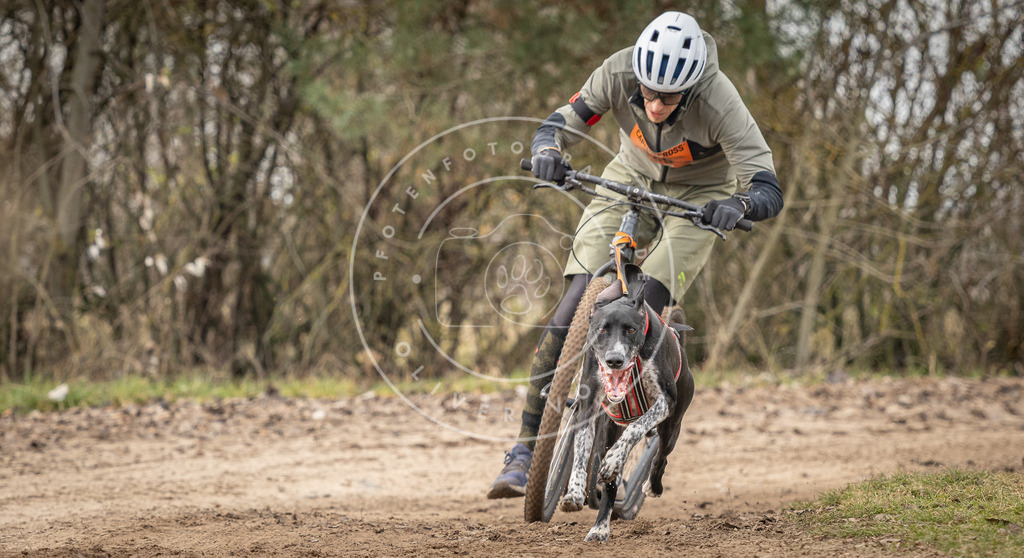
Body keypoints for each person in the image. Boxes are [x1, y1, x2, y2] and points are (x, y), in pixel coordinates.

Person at [487, 11, 783, 498]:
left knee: (648, 303)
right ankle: (522, 451)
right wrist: (548, 147)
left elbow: (767, 186)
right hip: (628, 175)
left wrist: (739, 204)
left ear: (690, 90)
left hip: (701, 198)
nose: (653, 104)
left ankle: (627, 434)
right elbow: (562, 121)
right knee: (569, 311)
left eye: (667, 98)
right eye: (646, 93)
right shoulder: (619, 70)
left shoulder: (721, 101)